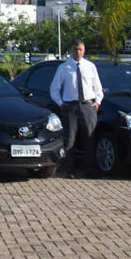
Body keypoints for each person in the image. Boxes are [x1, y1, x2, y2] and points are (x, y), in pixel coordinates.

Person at [49, 41, 103, 178]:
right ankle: (70, 169)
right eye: (75, 49)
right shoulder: (64, 67)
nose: (78, 52)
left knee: (89, 138)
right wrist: (61, 103)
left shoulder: (90, 67)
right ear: (71, 51)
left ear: (84, 51)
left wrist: (97, 102)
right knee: (70, 140)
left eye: (80, 49)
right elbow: (54, 88)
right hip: (70, 107)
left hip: (87, 106)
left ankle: (90, 169)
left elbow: (97, 87)